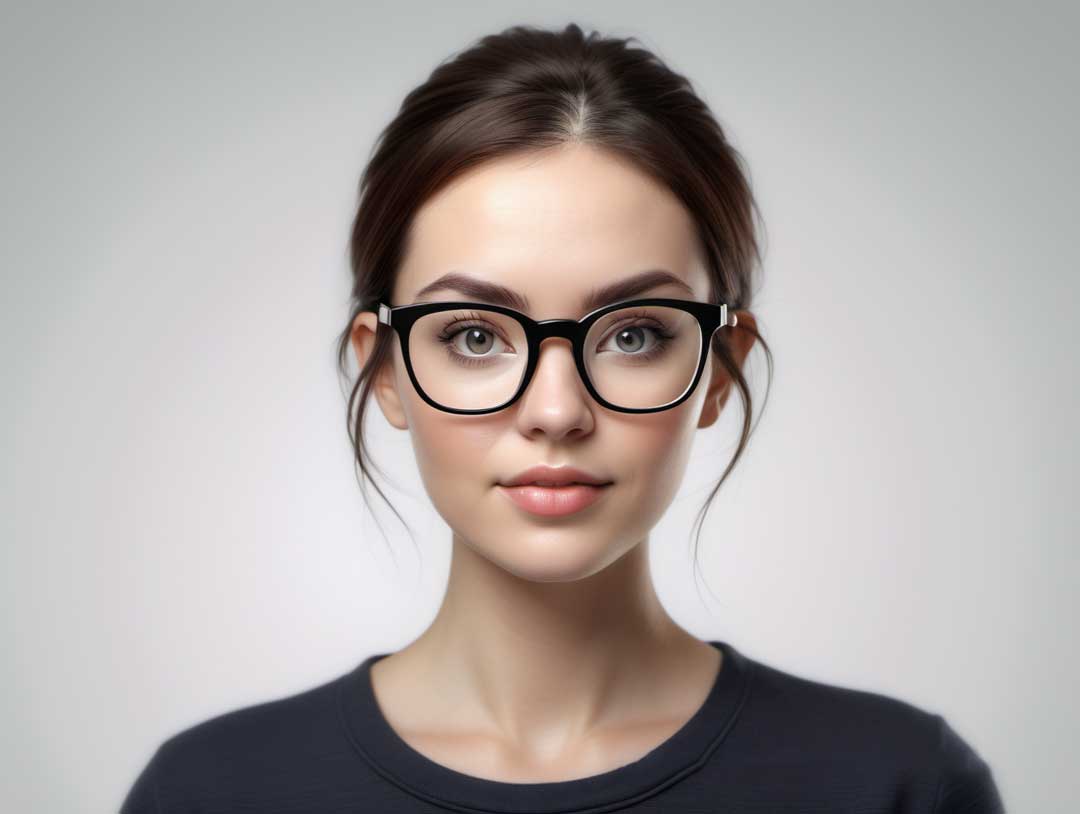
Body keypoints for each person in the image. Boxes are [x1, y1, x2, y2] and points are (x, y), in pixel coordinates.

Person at [120, 22, 1005, 813]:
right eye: (473, 335)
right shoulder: (211, 793)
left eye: (633, 334)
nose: (555, 411)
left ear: (720, 369)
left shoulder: (896, 785)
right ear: (383, 367)